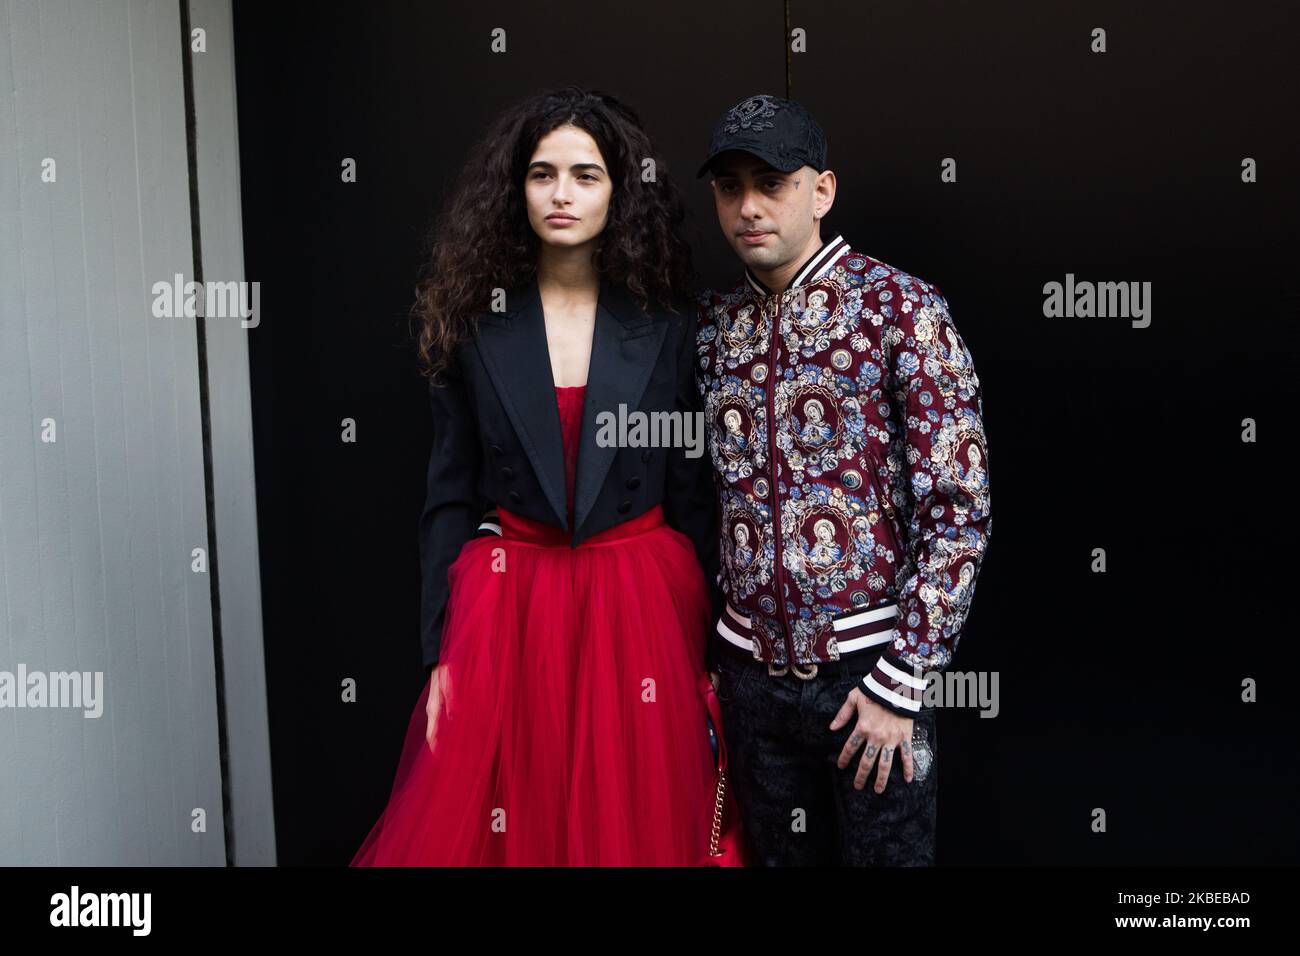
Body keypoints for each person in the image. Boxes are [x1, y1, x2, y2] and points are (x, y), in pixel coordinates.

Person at [351, 87, 732, 866]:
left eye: (586, 176)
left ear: (621, 190)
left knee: (632, 825)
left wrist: (713, 658)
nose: (562, 194)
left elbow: (695, 495)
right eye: (542, 173)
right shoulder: (475, 321)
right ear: (515, 188)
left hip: (641, 607)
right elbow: (449, 494)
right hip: (510, 608)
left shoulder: (668, 322)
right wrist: (440, 656)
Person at [695, 93, 993, 865]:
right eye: (731, 187)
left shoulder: (902, 308)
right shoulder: (713, 327)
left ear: (821, 191)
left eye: (772, 183)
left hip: (874, 677)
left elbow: (958, 509)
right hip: (751, 684)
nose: (749, 207)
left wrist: (904, 680)